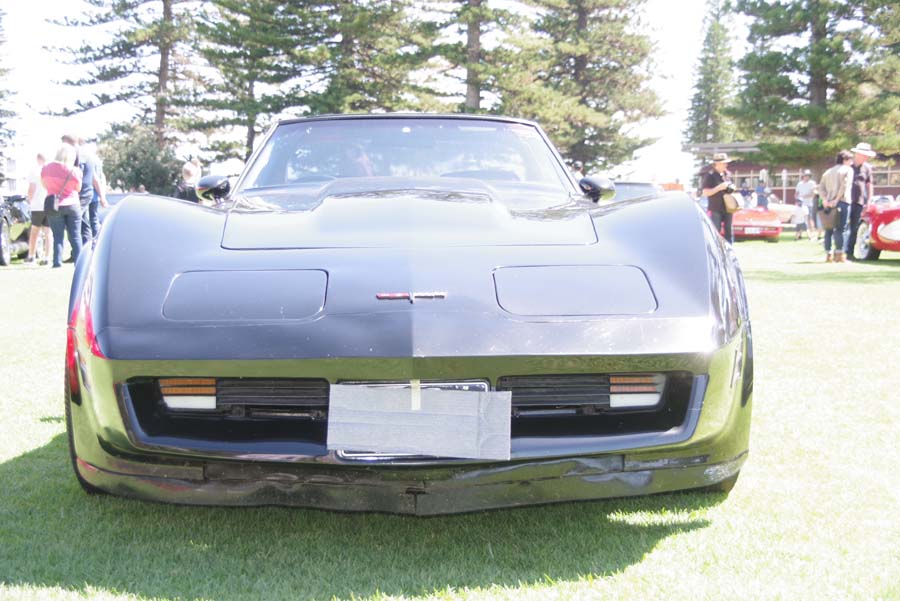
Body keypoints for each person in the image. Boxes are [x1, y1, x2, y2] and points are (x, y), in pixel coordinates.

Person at [41, 143, 83, 268]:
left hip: (54, 205)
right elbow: (78, 188)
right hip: (72, 204)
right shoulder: (74, 171)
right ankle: (79, 262)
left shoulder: (46, 168)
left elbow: (44, 185)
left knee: (57, 236)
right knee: (75, 235)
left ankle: (57, 262)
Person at [818, 150, 854, 263]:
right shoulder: (848, 170)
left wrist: (825, 199)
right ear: (845, 160)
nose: (852, 162)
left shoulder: (828, 172)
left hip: (828, 203)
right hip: (842, 202)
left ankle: (828, 255)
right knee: (841, 229)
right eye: (850, 159)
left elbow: (821, 187)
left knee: (828, 229)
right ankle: (839, 255)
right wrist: (836, 199)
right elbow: (845, 186)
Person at [845, 142, 876, 260]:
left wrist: (869, 200)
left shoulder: (867, 168)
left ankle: (849, 253)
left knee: (854, 228)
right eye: (865, 155)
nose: (866, 157)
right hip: (845, 201)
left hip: (859, 202)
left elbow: (869, 184)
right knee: (843, 227)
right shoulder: (848, 166)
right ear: (858, 154)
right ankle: (840, 252)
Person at [24, 153, 52, 265]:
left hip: (37, 205)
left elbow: (31, 189)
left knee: (34, 232)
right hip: (49, 204)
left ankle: (31, 256)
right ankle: (47, 257)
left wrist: (30, 201)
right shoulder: (50, 171)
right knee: (48, 232)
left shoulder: (35, 171)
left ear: (38, 159)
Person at [702, 153, 735, 243]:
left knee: (729, 231)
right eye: (724, 163)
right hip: (715, 208)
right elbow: (705, 192)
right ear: (717, 164)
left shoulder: (728, 174)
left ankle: (729, 249)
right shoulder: (710, 175)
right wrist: (719, 188)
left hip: (728, 207)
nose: (726, 165)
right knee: (716, 232)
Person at [795, 169, 818, 239]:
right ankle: (799, 234)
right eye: (805, 175)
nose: (806, 177)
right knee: (800, 219)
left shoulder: (812, 183)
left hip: (808, 204)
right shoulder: (799, 184)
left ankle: (812, 234)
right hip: (800, 204)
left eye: (808, 175)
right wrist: (797, 198)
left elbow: (813, 194)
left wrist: (804, 196)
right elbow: (796, 193)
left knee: (809, 219)